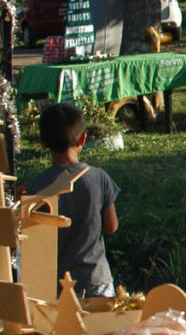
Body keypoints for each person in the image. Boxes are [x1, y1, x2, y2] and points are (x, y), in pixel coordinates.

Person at [22, 103, 119, 299]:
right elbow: (111, 227)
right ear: (83, 138)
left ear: (42, 142)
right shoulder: (99, 178)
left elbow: (34, 243)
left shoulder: (35, 186)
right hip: (96, 281)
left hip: (57, 286)